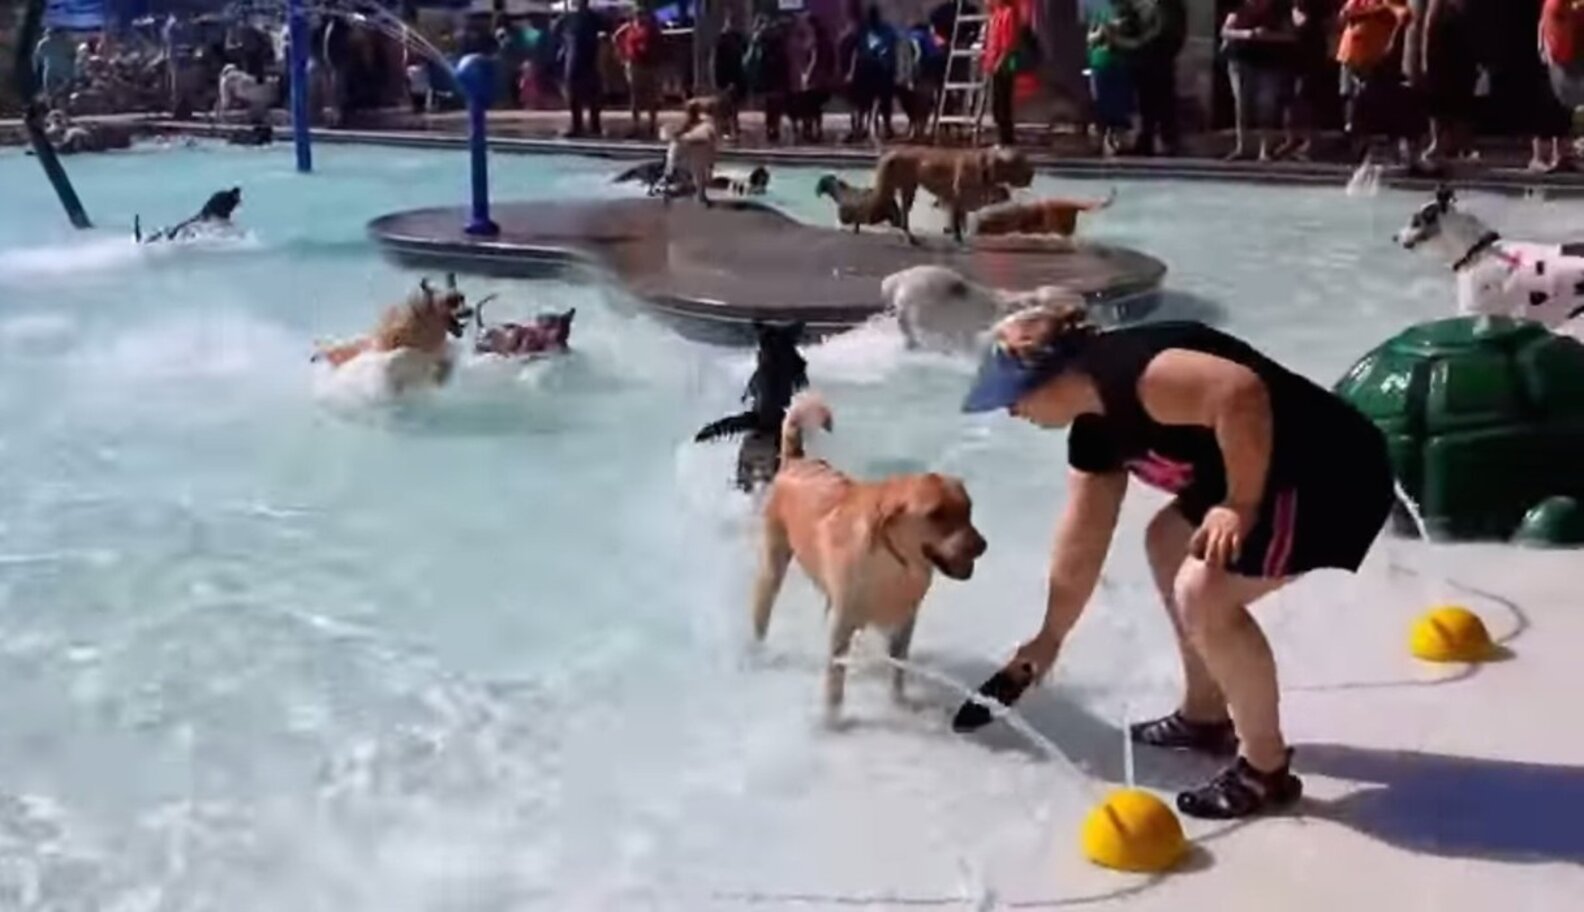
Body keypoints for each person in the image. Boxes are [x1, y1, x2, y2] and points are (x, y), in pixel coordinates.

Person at [955, 305, 1393, 820]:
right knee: (1166, 541)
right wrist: (1049, 638)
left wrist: (1240, 505)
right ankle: (1205, 716)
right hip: (1260, 476)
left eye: (1013, 397)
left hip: (1326, 476)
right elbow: (1082, 538)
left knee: (1204, 593)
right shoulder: (1095, 429)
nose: (1010, 412)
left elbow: (1239, 392)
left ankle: (1265, 770)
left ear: (1055, 374)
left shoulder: (1136, 374)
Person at [1221, 0, 1298, 160]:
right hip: (1241, 61)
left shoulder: (1279, 10)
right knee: (1242, 104)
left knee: (1266, 105)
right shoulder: (1240, 8)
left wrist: (1268, 36)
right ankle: (1242, 147)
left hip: (1269, 63)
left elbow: (1291, 35)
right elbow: (1225, 31)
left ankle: (1265, 149)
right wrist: (1247, 34)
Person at [1540, 0, 1584, 170]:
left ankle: (1559, 154)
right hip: (1567, 60)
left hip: (1564, 58)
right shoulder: (1558, 5)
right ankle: (1555, 154)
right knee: (1558, 105)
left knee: (1560, 106)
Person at [558, 0, 608, 137]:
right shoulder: (568, 18)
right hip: (573, 60)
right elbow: (557, 33)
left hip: (589, 59)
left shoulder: (593, 17)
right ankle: (577, 125)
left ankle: (595, 126)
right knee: (574, 94)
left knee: (592, 94)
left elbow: (607, 30)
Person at [614, 7, 663, 137]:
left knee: (650, 95)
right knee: (635, 95)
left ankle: (652, 123)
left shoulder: (652, 28)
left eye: (642, 15)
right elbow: (616, 36)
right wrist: (622, 55)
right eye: (637, 15)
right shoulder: (630, 27)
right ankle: (636, 123)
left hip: (649, 64)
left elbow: (658, 44)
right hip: (634, 64)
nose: (640, 17)